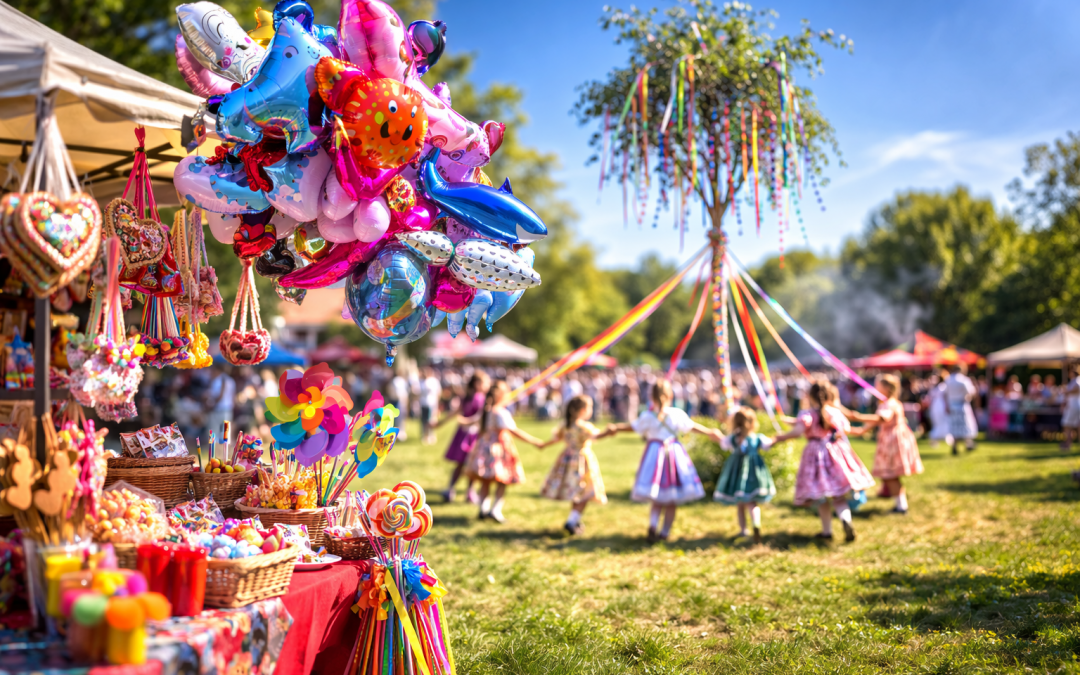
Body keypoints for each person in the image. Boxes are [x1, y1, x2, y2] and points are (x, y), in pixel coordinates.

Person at [609, 380, 720, 543]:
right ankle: (664, 533)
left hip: (654, 453)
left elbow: (633, 427)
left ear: (651, 396)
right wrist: (710, 432)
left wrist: (617, 428)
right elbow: (691, 426)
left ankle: (653, 526)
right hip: (673, 453)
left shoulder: (648, 416)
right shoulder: (676, 413)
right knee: (671, 499)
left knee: (657, 498)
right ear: (670, 395)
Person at [775, 382, 875, 542]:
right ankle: (846, 520)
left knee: (821, 497)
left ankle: (827, 531)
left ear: (810, 396)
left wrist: (779, 438)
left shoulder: (807, 414)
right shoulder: (835, 413)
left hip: (815, 455)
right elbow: (846, 429)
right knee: (839, 497)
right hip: (836, 452)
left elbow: (799, 431)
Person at [464, 380, 546, 523]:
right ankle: (495, 510)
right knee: (503, 480)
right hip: (498, 450)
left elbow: (474, 422)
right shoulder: (501, 413)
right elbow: (514, 431)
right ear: (501, 395)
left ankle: (483, 508)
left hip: (484, 448)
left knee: (486, 481)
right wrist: (534, 441)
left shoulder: (487, 411)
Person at [849, 374, 923, 515]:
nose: (874, 388)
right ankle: (900, 504)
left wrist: (857, 417)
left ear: (887, 388)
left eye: (878, 385)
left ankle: (901, 507)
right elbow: (873, 423)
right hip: (890, 440)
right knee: (890, 475)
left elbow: (883, 418)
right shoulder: (887, 403)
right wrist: (857, 429)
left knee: (890, 475)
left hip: (893, 442)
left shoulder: (890, 403)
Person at [539, 395, 613, 535]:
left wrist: (543, 445)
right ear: (583, 410)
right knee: (584, 492)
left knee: (576, 493)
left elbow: (556, 439)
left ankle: (574, 519)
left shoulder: (565, 425)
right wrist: (608, 432)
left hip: (566, 460)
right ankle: (572, 521)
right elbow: (596, 437)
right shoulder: (583, 426)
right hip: (581, 461)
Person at [712, 407, 776, 544]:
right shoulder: (757, 438)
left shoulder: (733, 439)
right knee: (752, 503)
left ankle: (743, 530)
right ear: (753, 423)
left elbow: (723, 444)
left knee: (740, 504)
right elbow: (769, 444)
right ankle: (756, 524)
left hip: (736, 474)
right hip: (755, 475)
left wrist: (717, 436)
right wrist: (778, 438)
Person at [439, 372, 491, 504]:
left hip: (471, 434)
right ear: (477, 384)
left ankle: (462, 491)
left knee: (468, 465)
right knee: (466, 465)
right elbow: (458, 414)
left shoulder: (476, 398)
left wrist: (464, 421)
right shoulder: (477, 398)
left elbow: (474, 417)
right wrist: (440, 423)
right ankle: (460, 491)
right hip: (469, 435)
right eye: (485, 382)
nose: (488, 385)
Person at [944, 364, 978, 454]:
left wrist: (946, 405)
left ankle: (956, 446)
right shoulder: (963, 380)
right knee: (965, 426)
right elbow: (970, 392)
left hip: (951, 406)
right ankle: (968, 444)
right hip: (962, 405)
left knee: (955, 427)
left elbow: (945, 394)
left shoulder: (948, 380)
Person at [205, 363, 236, 442]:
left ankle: (214, 449)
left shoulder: (219, 380)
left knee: (215, 430)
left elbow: (219, 395)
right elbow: (233, 396)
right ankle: (225, 449)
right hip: (228, 409)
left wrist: (212, 405)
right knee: (226, 431)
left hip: (218, 409)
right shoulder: (231, 380)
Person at [419, 367, 442, 445]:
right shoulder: (421, 381)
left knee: (430, 420)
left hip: (431, 403)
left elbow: (438, 392)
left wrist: (437, 404)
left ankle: (431, 435)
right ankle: (425, 435)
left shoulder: (434, 381)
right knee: (424, 420)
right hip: (423, 403)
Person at [1062, 367, 1080, 452]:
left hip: (1073, 406)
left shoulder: (1076, 380)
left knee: (1067, 425)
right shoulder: (1074, 381)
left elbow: (1077, 389)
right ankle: (1068, 443)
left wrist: (1066, 391)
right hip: (1073, 406)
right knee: (1075, 425)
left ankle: (1068, 444)